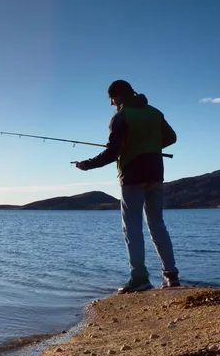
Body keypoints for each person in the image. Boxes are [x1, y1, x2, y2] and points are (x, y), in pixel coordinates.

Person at [75, 80, 180, 294]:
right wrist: (149, 146)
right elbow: (171, 138)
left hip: (132, 175)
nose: (111, 103)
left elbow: (112, 153)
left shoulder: (121, 117)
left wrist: (87, 165)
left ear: (119, 96)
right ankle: (171, 276)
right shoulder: (154, 112)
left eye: (111, 98)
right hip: (155, 173)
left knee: (132, 228)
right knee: (157, 224)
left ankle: (139, 278)